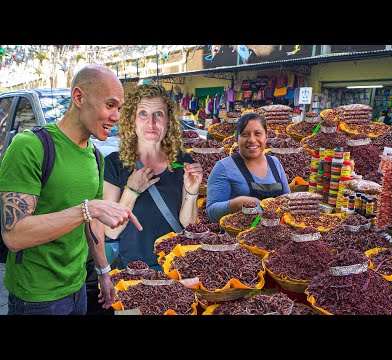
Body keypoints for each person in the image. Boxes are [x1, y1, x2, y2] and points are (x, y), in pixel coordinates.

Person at [0, 64, 142, 315]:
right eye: (110, 106)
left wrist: (103, 272)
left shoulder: (95, 157)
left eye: (119, 109)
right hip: (36, 298)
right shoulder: (30, 147)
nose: (117, 117)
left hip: (78, 290)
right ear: (79, 97)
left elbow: (93, 224)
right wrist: (88, 209)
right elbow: (15, 236)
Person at [103, 84, 203, 271]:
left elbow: (189, 225)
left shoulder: (182, 162)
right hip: (134, 272)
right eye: (142, 114)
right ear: (131, 120)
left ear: (169, 121)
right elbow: (111, 231)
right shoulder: (114, 164)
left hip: (176, 269)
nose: (151, 123)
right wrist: (131, 191)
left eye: (159, 114)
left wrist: (192, 191)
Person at [206, 112, 291, 223]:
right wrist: (236, 204)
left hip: (275, 237)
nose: (252, 139)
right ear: (237, 138)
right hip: (237, 238)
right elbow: (211, 213)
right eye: (245, 134)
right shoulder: (224, 167)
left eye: (258, 133)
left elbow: (287, 200)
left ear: (266, 137)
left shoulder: (275, 163)